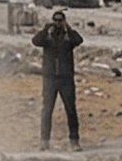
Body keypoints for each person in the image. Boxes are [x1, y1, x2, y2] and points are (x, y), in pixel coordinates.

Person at [31, 10, 83, 150]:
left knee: (71, 110)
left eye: (60, 20)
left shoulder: (68, 36)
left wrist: (69, 29)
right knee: (47, 110)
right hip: (50, 78)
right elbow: (35, 41)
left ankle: (74, 141)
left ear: (64, 21)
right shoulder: (47, 36)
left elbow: (78, 40)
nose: (58, 23)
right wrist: (45, 29)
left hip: (66, 78)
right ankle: (44, 141)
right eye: (56, 20)